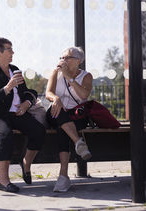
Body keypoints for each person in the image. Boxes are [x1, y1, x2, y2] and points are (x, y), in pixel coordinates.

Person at [0, 37, 46, 193]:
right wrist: (7, 88)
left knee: (38, 130)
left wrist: (26, 104)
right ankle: (3, 181)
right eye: (9, 49)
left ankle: (26, 164)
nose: (12, 52)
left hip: (15, 113)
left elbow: (28, 92)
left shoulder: (14, 69)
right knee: (5, 133)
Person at [45, 46, 93, 192]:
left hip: (76, 114)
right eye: (62, 57)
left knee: (62, 128)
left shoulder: (86, 76)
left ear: (78, 61)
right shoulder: (55, 72)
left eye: (67, 58)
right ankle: (78, 142)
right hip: (56, 111)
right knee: (59, 114)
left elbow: (83, 95)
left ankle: (63, 176)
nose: (63, 60)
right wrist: (56, 99)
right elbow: (48, 92)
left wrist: (69, 77)